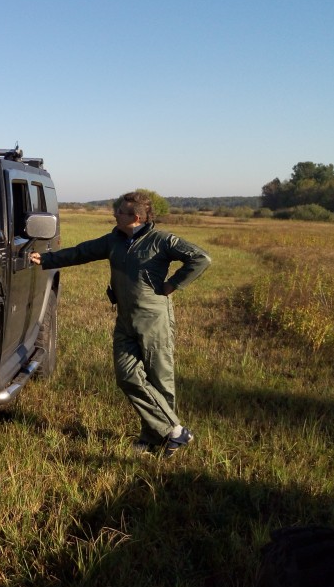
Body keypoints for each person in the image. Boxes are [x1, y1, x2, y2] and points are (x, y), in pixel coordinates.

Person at [29, 191, 211, 456]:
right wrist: (46, 259)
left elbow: (201, 258)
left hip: (154, 320)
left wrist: (172, 284)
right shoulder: (114, 240)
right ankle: (175, 430)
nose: (115, 214)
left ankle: (155, 439)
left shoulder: (161, 240)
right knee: (127, 376)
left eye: (120, 211)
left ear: (135, 217)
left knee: (159, 380)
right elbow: (81, 252)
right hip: (125, 319)